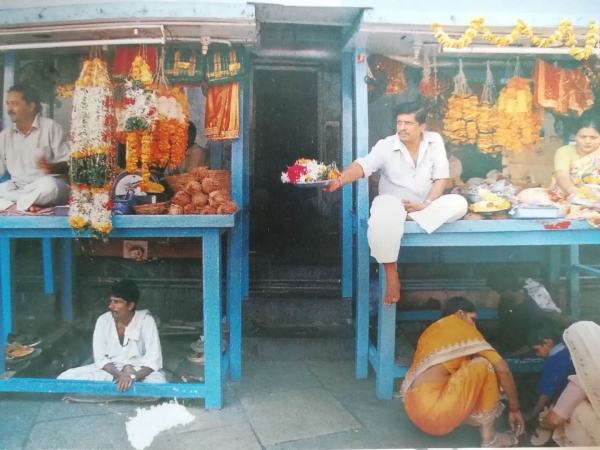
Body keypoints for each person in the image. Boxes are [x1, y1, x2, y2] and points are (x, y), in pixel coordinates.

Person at [324, 102, 468, 306]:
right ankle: (392, 277)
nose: (402, 128)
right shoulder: (386, 145)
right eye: (399, 122)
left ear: (422, 126)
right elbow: (364, 165)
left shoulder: (434, 141)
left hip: (424, 207)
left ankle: (409, 217)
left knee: (459, 203)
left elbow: (441, 178)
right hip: (393, 204)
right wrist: (339, 181)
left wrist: (426, 204)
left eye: (408, 123)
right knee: (382, 213)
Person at [400, 296, 525, 447]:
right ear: (460, 314)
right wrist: (514, 408)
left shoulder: (432, 331)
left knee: (468, 366)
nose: (474, 326)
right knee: (484, 365)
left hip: (414, 410)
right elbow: (503, 369)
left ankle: (480, 426)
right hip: (436, 414)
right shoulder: (462, 328)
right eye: (473, 319)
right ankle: (490, 438)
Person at [58, 279, 166, 392]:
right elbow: (101, 358)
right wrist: (120, 375)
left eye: (117, 302)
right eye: (111, 301)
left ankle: (113, 390)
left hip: (139, 371)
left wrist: (132, 377)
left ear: (130, 305)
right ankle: (126, 390)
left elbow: (153, 360)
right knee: (64, 378)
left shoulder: (146, 321)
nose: (111, 306)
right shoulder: (103, 320)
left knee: (157, 384)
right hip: (111, 372)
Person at [0, 84, 71, 211]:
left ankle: (14, 205)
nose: (9, 109)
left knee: (49, 187)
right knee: (3, 188)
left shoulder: (51, 127)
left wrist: (51, 167)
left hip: (45, 186)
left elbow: (70, 164)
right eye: (8, 104)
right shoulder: (5, 136)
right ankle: (27, 204)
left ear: (31, 106)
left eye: (14, 104)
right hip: (18, 188)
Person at [532, 321, 600, 447]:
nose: (570, 357)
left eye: (572, 351)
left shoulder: (582, 381)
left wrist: (542, 422)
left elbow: (555, 419)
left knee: (577, 409)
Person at [525, 325, 575, 423]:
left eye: (536, 350)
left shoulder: (554, 360)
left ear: (547, 343)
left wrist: (532, 415)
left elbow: (546, 393)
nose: (537, 354)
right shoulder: (569, 351)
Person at [553, 113, 600, 197]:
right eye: (583, 137)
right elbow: (561, 175)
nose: (587, 141)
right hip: (568, 197)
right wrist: (573, 191)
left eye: (593, 137)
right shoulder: (564, 151)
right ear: (575, 136)